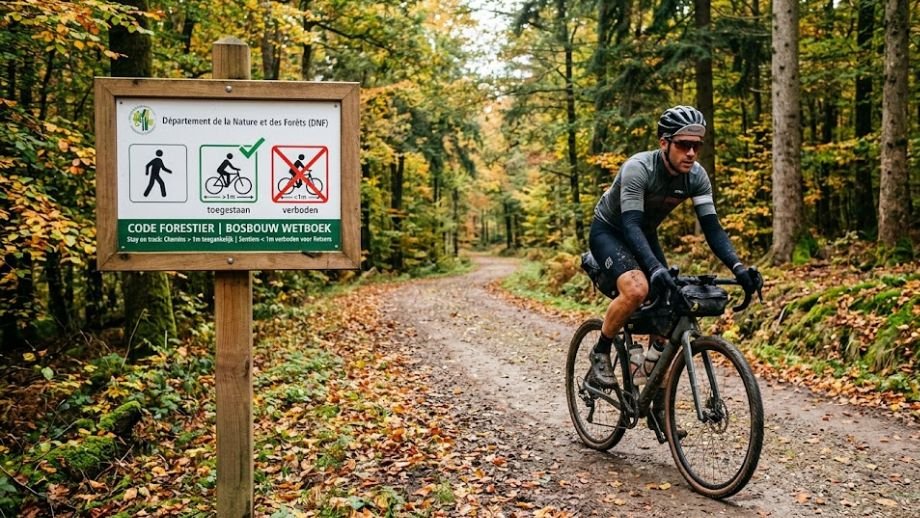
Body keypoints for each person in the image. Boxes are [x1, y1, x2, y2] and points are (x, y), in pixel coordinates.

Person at [586, 105, 761, 434]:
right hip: (611, 231)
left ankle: (656, 402)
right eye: (683, 144)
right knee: (639, 289)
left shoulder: (696, 176)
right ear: (664, 142)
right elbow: (632, 224)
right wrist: (653, 269)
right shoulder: (639, 168)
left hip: (644, 234)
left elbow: (712, 228)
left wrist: (739, 269)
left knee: (670, 311)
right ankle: (601, 351)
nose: (692, 152)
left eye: (697, 145)